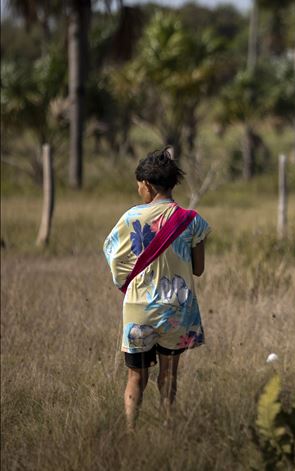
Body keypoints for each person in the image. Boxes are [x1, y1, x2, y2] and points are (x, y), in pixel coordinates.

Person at [103, 147, 211, 430]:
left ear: (147, 185)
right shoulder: (193, 221)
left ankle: (130, 433)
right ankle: (167, 428)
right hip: (177, 308)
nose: (139, 189)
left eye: (139, 185)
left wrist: (128, 283)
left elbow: (113, 256)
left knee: (135, 377)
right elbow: (198, 269)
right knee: (169, 375)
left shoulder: (131, 219)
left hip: (140, 308)